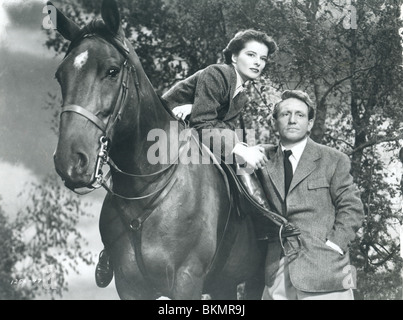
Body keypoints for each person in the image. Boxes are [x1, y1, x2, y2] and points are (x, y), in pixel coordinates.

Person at [259, 90, 365, 300]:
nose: (292, 120)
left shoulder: (334, 159)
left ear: (309, 123)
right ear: (275, 122)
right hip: (277, 272)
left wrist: (334, 245)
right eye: (285, 114)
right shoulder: (261, 160)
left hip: (327, 271)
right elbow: (219, 156)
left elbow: (353, 209)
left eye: (299, 115)